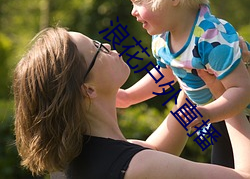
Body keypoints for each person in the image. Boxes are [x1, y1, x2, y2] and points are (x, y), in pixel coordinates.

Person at [13, 27, 250, 179]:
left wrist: (192, 73)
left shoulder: (73, 163)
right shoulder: (138, 167)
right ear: (88, 89)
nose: (106, 45)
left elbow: (154, 150)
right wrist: (228, 95)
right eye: (97, 49)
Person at [120, 0, 250, 168]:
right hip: (215, 114)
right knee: (164, 154)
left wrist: (208, 112)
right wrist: (130, 96)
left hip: (239, 115)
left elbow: (242, 89)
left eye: (138, 1)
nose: (133, 11)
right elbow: (167, 73)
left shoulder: (210, 38)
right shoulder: (162, 38)